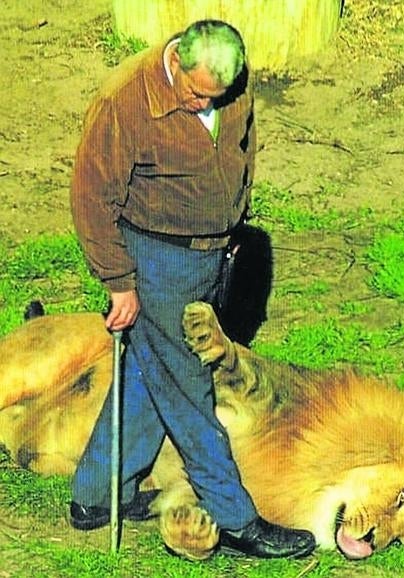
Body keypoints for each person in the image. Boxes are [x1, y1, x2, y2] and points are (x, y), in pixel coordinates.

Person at [70, 19, 315, 559]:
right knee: (188, 392)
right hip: (155, 259)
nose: (204, 103)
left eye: (215, 96)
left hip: (208, 256)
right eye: (195, 92)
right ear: (176, 57)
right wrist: (119, 282)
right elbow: (91, 199)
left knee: (147, 374)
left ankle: (95, 495)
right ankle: (235, 518)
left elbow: (242, 151)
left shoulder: (232, 84)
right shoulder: (125, 101)